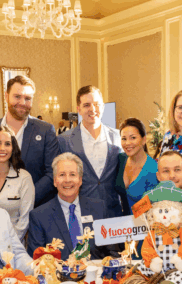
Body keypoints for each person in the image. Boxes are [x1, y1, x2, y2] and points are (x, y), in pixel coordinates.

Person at [0, 76, 59, 207]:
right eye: (17, 96)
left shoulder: (45, 130)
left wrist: (26, 198)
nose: (22, 102)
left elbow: (52, 172)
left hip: (36, 208)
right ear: (6, 96)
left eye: (27, 98)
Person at [27, 152, 117, 260]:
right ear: (55, 181)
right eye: (62, 175)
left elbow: (113, 252)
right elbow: (36, 261)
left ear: (80, 180)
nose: (67, 180)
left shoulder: (99, 208)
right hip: (58, 276)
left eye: (72, 174)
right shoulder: (39, 217)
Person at [59, 85, 123, 217]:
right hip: (80, 213)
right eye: (87, 105)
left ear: (103, 107)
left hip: (113, 212)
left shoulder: (118, 137)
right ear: (79, 109)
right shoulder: (64, 140)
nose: (92, 109)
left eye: (96, 104)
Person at [0, 125, 35, 241]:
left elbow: (24, 220)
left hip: (14, 246)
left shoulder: (24, 178)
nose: (2, 148)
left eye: (7, 144)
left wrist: (8, 246)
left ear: (13, 148)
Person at [114, 118, 158, 215]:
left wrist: (129, 223)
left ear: (143, 140)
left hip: (143, 225)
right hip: (121, 224)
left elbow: (154, 204)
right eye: (124, 138)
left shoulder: (153, 169)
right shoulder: (121, 159)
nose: (127, 143)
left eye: (133, 138)